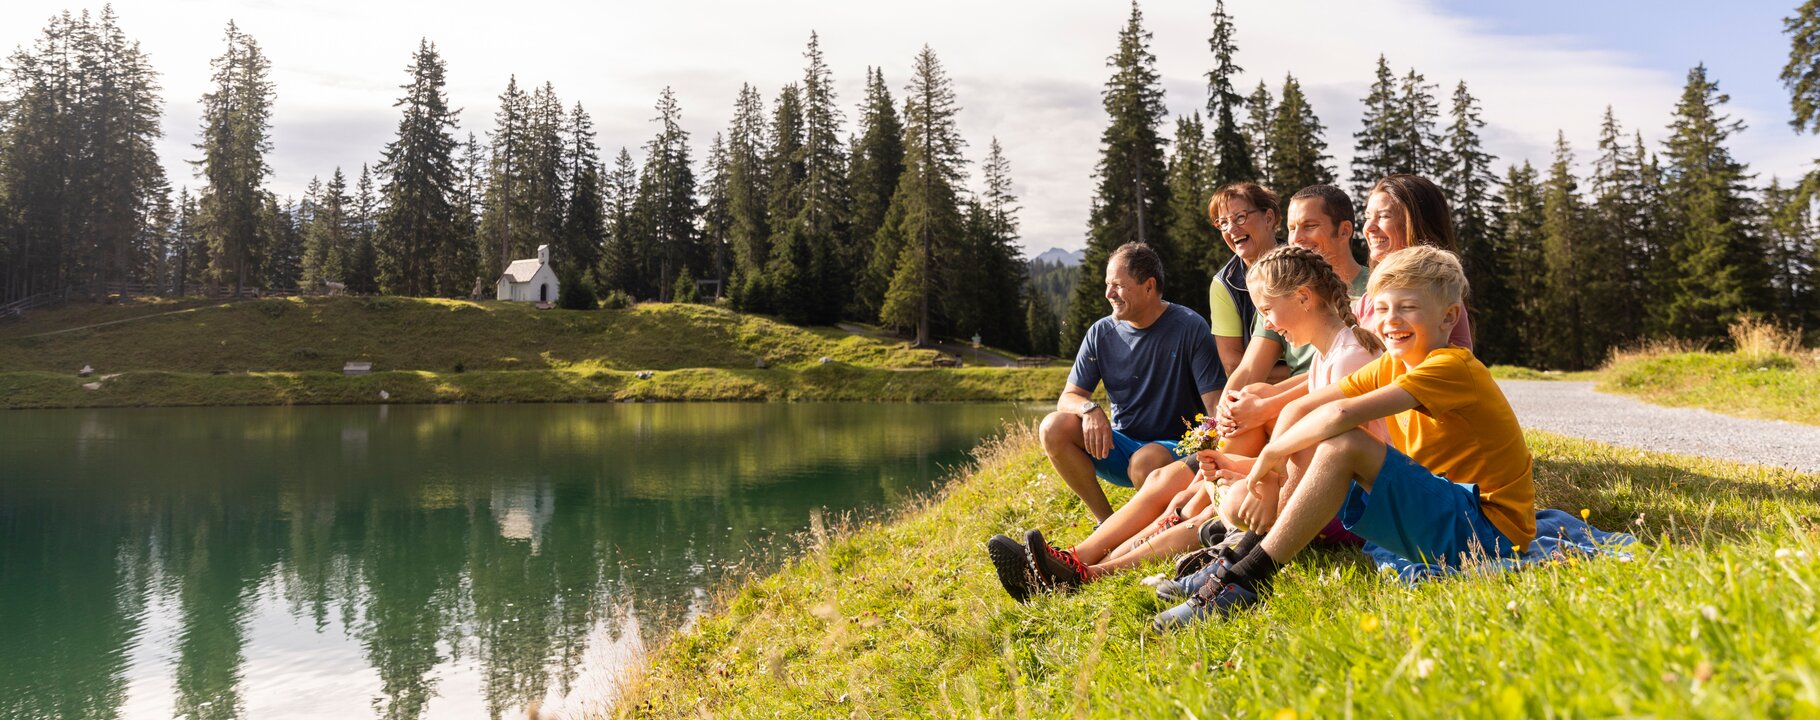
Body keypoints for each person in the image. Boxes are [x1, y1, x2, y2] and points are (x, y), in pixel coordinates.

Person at [1154, 246, 1534, 631]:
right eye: (1383, 309)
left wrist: (1272, 455)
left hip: (1487, 532)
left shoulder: (1451, 367)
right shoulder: (1394, 364)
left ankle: (1246, 579)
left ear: (1448, 317)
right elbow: (1300, 410)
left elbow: (1340, 415)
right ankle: (1240, 560)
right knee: (1320, 438)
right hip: (1447, 511)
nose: (1390, 321)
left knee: (1342, 442)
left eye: (1408, 308)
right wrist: (1270, 468)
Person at [990, 246, 1385, 600]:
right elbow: (1304, 451)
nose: (1267, 323)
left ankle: (1086, 572)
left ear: (1302, 298)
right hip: (1316, 492)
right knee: (1189, 495)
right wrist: (1236, 463)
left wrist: (1244, 470)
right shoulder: (1328, 356)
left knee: (1199, 508)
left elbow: (1324, 464)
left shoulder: (1345, 358)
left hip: (1336, 510)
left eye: (1267, 311)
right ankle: (1078, 560)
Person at [1033, 242, 1223, 524]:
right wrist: (1089, 409)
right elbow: (1068, 397)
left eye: (1118, 286)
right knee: (1053, 427)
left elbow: (1215, 405)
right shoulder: (1101, 332)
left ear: (1149, 286)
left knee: (1144, 461)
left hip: (1176, 448)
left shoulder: (1189, 326)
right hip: (1120, 446)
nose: (1109, 294)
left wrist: (1214, 454)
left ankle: (1147, 531)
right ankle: (1106, 524)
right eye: (1108, 284)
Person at [1214, 185, 1367, 457]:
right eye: (1293, 228)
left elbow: (1352, 376)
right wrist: (1223, 417)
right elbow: (1249, 367)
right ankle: (1212, 479)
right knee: (1253, 392)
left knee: (1268, 408)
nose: (1296, 238)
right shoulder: (1285, 295)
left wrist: (1269, 406)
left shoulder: (1372, 291)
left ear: (1344, 231)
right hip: (1296, 405)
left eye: (1309, 226)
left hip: (1332, 409)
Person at [1355, 174, 1472, 349]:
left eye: (1384, 216)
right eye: (1367, 217)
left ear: (1417, 225)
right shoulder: (1367, 300)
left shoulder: (1440, 292)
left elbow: (1454, 370)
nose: (1369, 227)